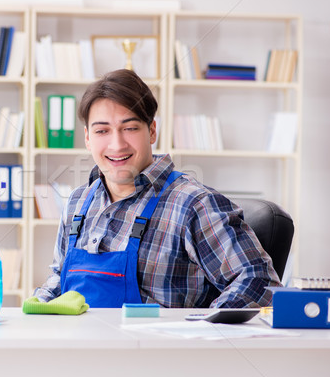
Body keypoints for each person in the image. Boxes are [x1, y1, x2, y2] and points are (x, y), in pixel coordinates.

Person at [33, 69, 281, 308]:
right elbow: (59, 278)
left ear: (152, 131)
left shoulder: (193, 204)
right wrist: (37, 307)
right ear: (88, 138)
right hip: (81, 347)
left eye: (130, 128)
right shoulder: (78, 201)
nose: (116, 144)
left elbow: (259, 282)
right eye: (102, 131)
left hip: (158, 350)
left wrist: (199, 327)